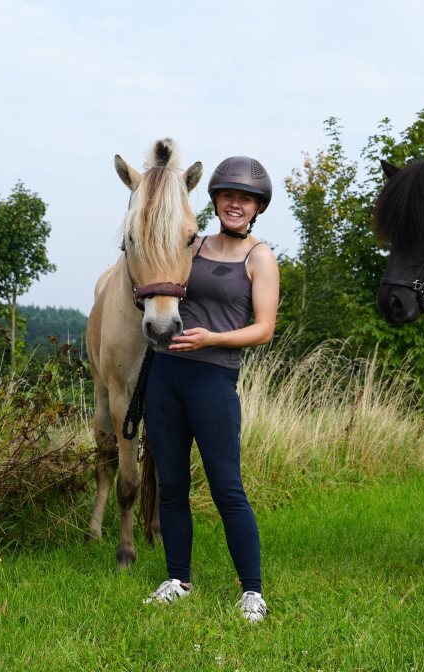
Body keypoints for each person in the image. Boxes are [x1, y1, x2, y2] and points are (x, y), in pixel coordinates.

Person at [141, 156, 280, 623]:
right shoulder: (191, 245)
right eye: (227, 196)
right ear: (215, 200)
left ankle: (252, 591)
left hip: (212, 378)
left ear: (258, 207)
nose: (235, 204)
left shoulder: (258, 257)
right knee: (172, 485)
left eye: (245, 198)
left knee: (227, 488)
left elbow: (264, 329)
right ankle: (178, 579)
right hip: (165, 374)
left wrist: (212, 338)